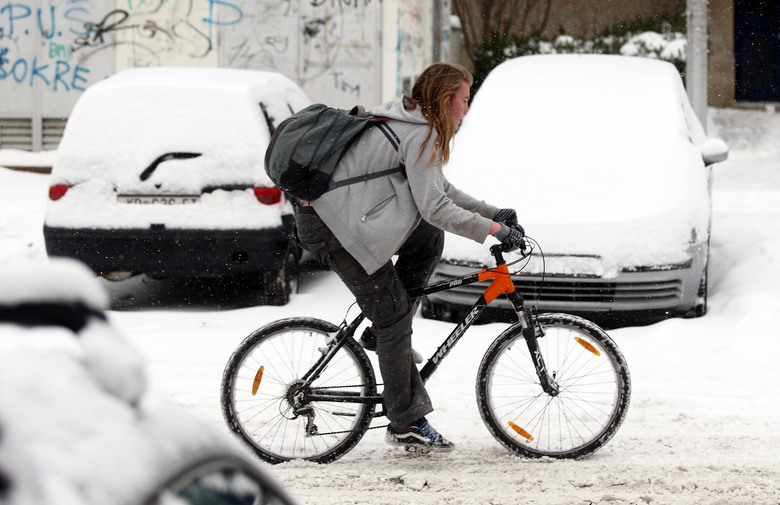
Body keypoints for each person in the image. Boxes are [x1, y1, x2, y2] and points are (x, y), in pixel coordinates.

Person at [293, 62, 524, 453]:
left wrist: (491, 212)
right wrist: (494, 231)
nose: (467, 109)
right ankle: (406, 421)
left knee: (426, 239)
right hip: (331, 225)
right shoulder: (419, 133)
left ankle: (382, 334)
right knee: (395, 312)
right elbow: (435, 205)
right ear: (445, 98)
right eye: (464, 100)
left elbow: (437, 188)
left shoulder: (415, 123)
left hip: (349, 216)